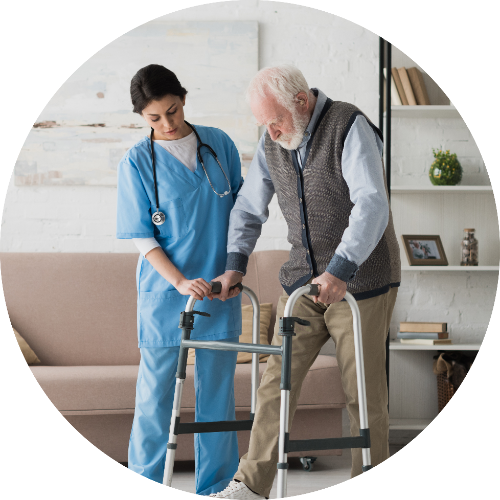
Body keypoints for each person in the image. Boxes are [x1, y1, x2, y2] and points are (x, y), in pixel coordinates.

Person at [209, 64, 401, 499]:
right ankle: (250, 487)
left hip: (361, 279)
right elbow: (248, 207)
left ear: (300, 101)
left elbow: (372, 203)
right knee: (276, 381)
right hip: (302, 283)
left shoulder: (348, 125)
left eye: (275, 120)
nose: (272, 134)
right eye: (265, 125)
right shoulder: (272, 141)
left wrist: (339, 270)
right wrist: (235, 265)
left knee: (363, 392)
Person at [116, 64, 244, 495]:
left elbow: (242, 215)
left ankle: (218, 486)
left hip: (219, 289)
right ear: (141, 117)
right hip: (165, 293)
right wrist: (178, 282)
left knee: (217, 397)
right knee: (155, 400)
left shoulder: (219, 144)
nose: (167, 124)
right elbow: (140, 234)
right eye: (154, 118)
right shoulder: (136, 161)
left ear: (183, 98)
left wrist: (235, 268)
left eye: (171, 111)